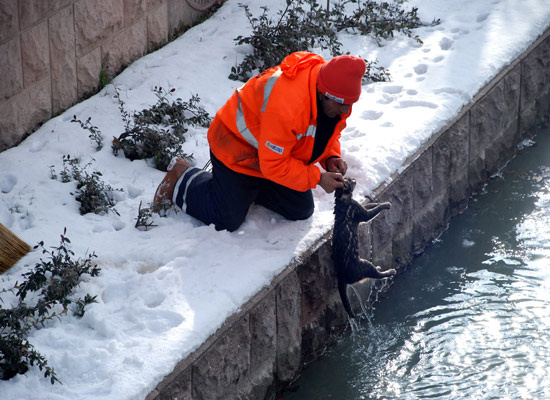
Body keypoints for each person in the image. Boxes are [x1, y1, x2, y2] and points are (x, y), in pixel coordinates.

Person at [153, 51, 366, 232]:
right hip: (236, 148)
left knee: (300, 210)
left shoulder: (338, 94)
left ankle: (248, 189)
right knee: (226, 220)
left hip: (272, 154)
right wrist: (318, 177)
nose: (346, 111)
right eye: (342, 105)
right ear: (324, 94)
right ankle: (182, 176)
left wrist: (330, 156)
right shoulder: (288, 106)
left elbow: (326, 132)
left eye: (350, 104)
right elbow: (274, 164)